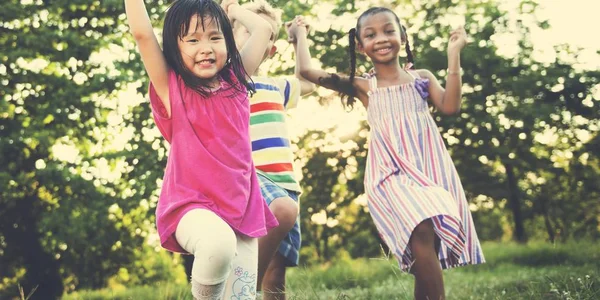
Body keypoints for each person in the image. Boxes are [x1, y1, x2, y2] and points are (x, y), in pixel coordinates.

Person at [288, 7, 485, 300]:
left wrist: (454, 54)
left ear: (403, 37)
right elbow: (307, 72)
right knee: (420, 226)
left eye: (389, 31)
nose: (381, 39)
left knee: (425, 243)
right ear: (359, 45)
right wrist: (299, 36)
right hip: (390, 175)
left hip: (429, 172)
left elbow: (450, 106)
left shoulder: (421, 78)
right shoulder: (364, 86)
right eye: (371, 34)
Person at [124, 0, 279, 298]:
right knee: (217, 243)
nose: (205, 47)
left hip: (243, 211)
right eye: (193, 40)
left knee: (241, 296)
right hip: (191, 206)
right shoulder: (172, 89)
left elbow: (263, 27)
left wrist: (232, 9)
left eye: (215, 37)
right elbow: (142, 34)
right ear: (174, 49)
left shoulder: (236, 81)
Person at [229, 2, 315, 299]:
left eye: (264, 35)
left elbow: (308, 81)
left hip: (285, 183)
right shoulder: (229, 83)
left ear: (271, 50)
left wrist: (299, 37)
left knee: (277, 270)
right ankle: (240, 290)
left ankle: (248, 288)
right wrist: (233, 10)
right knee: (281, 210)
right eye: (247, 30)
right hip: (251, 179)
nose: (257, 36)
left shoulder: (275, 85)